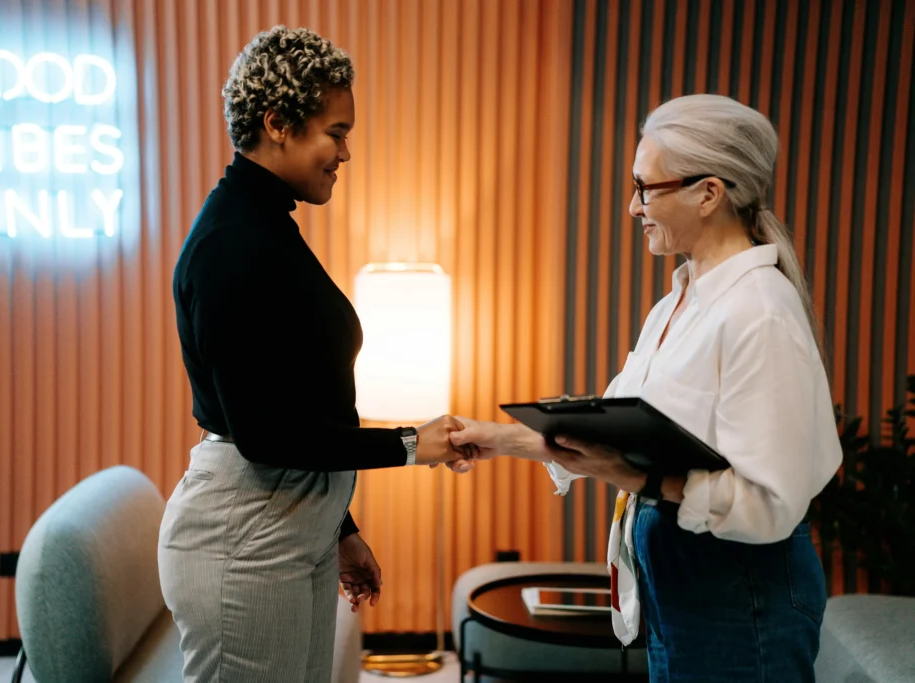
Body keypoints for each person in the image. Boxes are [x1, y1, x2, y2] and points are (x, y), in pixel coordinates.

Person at [450, 94, 842, 682]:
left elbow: (769, 505)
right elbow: (614, 432)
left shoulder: (760, 312)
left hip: (739, 601)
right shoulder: (678, 302)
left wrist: (636, 479)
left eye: (645, 187)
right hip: (681, 591)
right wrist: (497, 439)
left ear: (708, 193)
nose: (633, 207)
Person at [159, 26, 473, 683]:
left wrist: (339, 524)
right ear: (278, 123)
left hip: (287, 518)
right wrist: (414, 444)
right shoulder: (230, 245)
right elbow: (268, 433)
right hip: (243, 534)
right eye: (336, 131)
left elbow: (304, 400)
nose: (346, 152)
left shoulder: (267, 227)